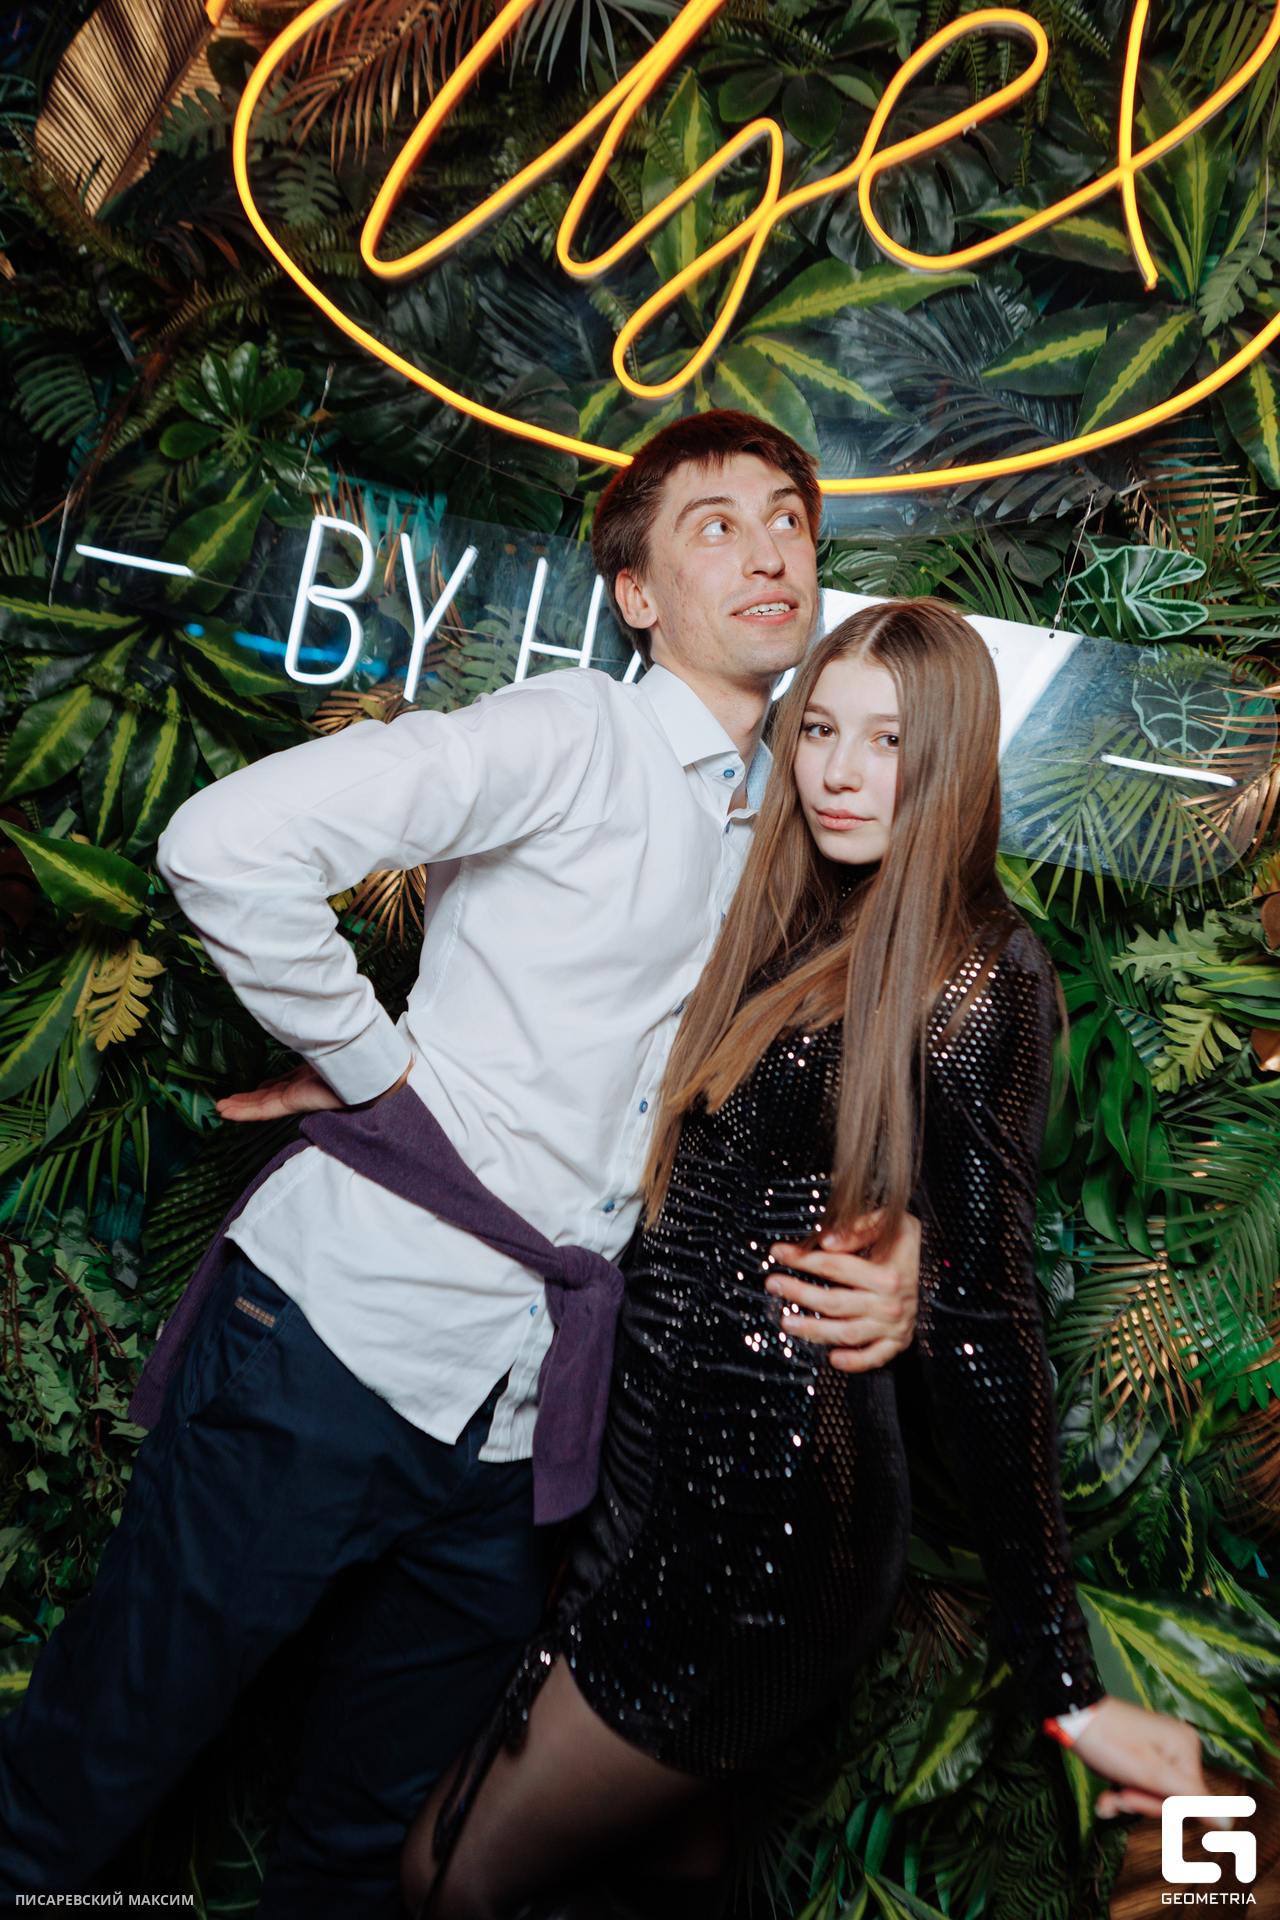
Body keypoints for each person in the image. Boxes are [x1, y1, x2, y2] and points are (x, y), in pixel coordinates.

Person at [0, 412, 922, 1914]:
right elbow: (226, 845)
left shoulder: (785, 828)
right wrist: (382, 1075)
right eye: (714, 524)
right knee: (88, 1774)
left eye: (788, 519)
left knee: (365, 1852)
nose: (768, 549)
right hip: (336, 1344)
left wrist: (904, 1242)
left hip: (518, 1423)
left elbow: (840, 1084)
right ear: (636, 593)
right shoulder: (571, 735)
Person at [402, 598, 1210, 1920]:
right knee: (661, 1875)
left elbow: (992, 1326)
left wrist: (1065, 1685)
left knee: (450, 1878)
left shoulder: (983, 974)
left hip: (761, 1520)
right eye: (820, 729)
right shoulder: (790, 909)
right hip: (647, 1471)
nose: (839, 770)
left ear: (951, 759)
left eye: (888, 741)